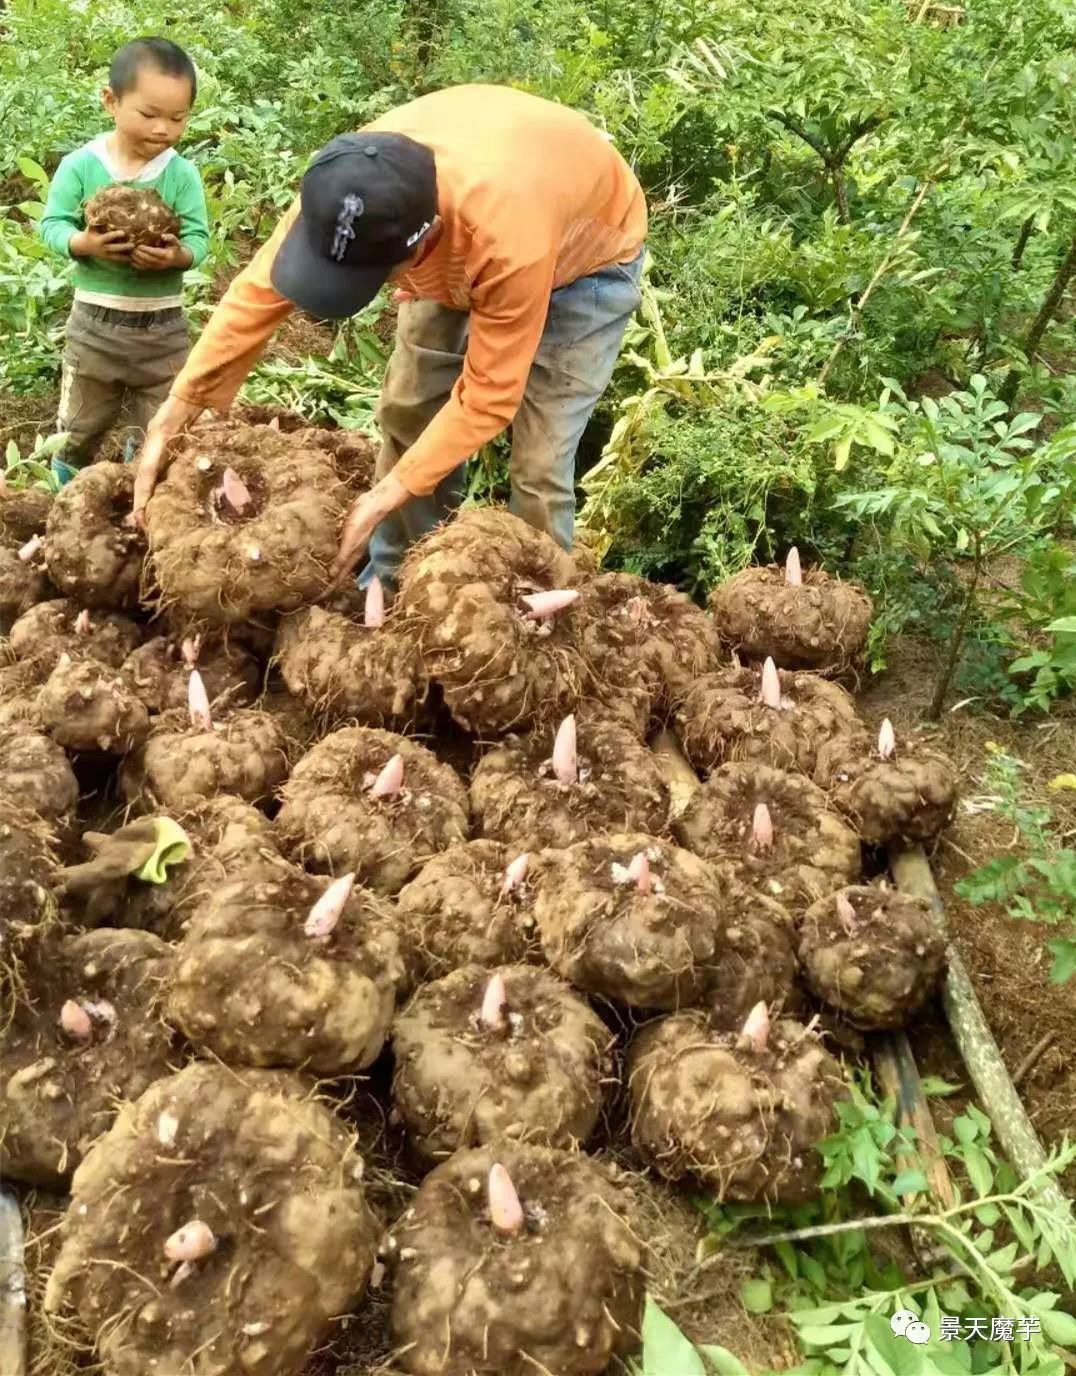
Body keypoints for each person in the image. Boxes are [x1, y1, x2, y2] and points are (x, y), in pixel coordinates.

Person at [133, 83, 647, 589]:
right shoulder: (350, 185)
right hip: (475, 217)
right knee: (408, 411)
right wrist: (179, 407)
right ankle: (395, 579)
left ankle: (530, 607)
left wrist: (382, 495)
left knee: (539, 461)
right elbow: (257, 294)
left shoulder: (508, 242)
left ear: (420, 250)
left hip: (586, 261)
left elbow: (489, 397)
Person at [39, 37, 209, 485]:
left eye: (178, 118)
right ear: (111, 102)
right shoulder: (81, 166)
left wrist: (178, 256)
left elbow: (199, 238)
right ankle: (66, 495)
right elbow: (51, 225)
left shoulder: (181, 174)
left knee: (158, 428)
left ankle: (138, 487)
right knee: (79, 424)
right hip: (94, 330)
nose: (163, 130)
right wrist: (83, 244)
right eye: (150, 115)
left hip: (163, 332)